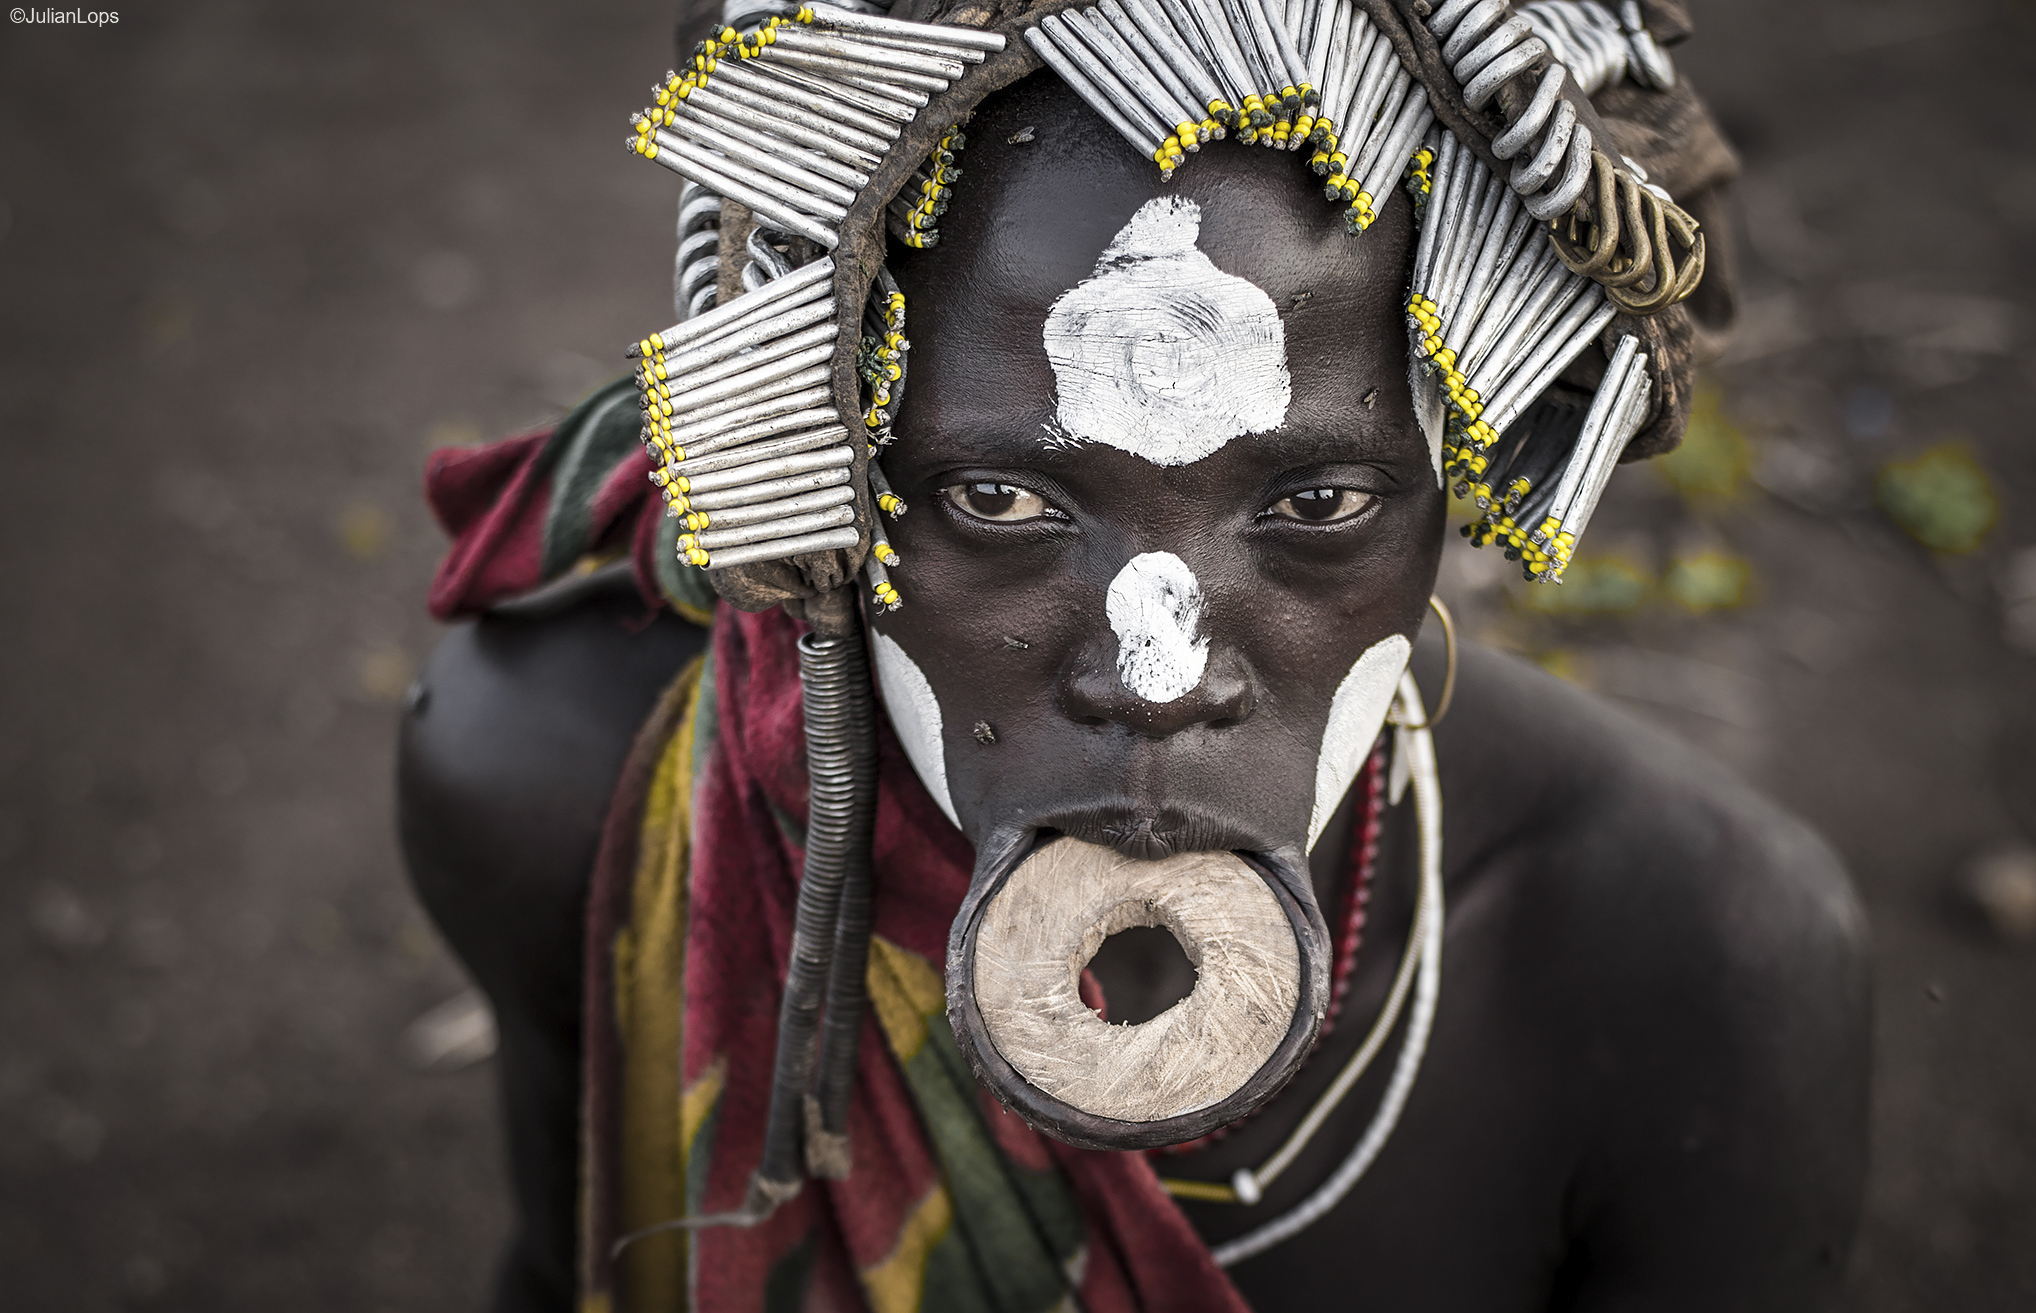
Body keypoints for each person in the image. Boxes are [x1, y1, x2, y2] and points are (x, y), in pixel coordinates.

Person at [401, 3, 1868, 1310]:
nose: (1155, 676)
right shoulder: (561, 789)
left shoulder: (1692, 962)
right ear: (830, 471)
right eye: (1002, 500)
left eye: (1315, 506)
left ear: (1460, 486)